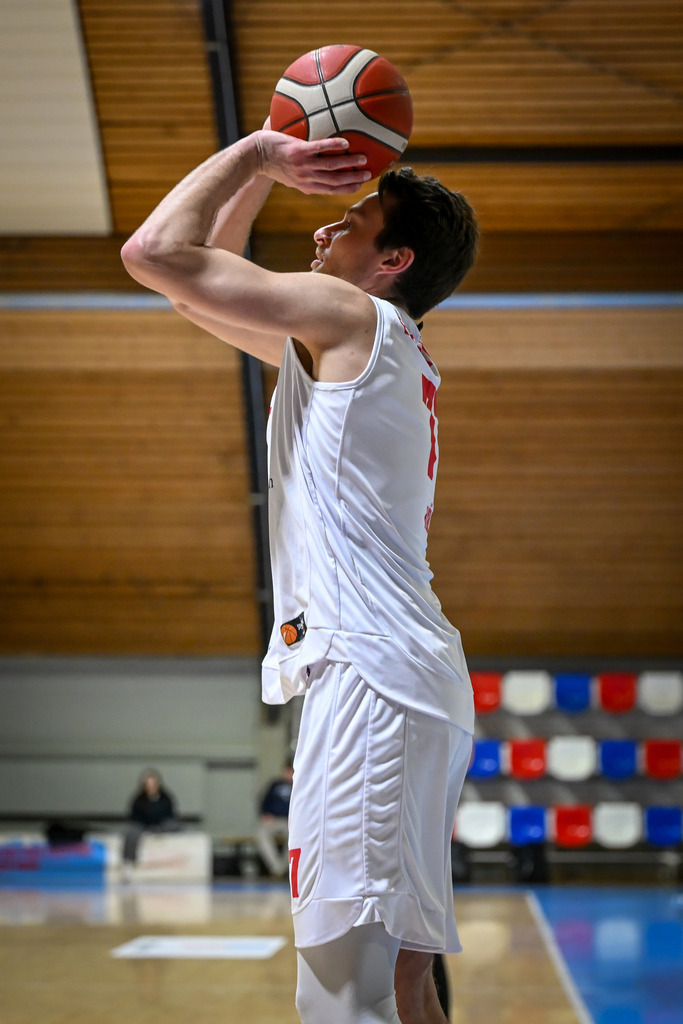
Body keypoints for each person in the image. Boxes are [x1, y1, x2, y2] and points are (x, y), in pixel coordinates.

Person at [121, 124, 478, 1024]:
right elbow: (190, 287)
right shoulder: (357, 346)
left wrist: (255, 154)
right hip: (398, 679)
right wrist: (267, 174)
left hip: (374, 681)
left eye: (349, 221)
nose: (321, 230)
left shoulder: (354, 320)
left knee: (343, 995)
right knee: (399, 987)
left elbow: (156, 253)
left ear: (391, 259)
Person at [122, 768, 182, 870]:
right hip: (143, 825)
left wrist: (158, 825)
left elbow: (170, 815)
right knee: (131, 833)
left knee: (175, 826)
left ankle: (176, 863)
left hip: (162, 825)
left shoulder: (166, 798)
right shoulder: (138, 800)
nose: (151, 786)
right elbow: (134, 816)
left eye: (153, 783)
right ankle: (129, 863)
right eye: (148, 784)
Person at [257, 754, 294, 877]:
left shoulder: (298, 787)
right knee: (262, 834)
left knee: (294, 838)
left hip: (291, 822)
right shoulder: (275, 784)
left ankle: (284, 868)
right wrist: (265, 814)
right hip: (274, 820)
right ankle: (276, 868)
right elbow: (263, 802)